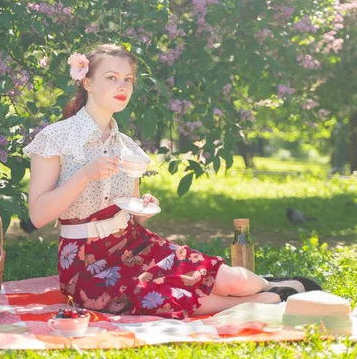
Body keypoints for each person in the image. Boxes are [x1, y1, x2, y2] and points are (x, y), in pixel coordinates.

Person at [24, 43, 321, 319]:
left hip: (131, 244)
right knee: (164, 296)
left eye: (128, 79)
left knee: (234, 279)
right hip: (84, 264)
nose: (122, 86)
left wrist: (143, 208)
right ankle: (257, 301)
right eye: (112, 77)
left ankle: (266, 285)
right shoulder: (55, 138)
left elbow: (134, 217)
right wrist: (85, 174)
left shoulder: (128, 147)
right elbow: (38, 216)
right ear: (87, 82)